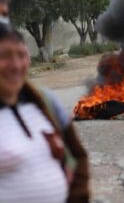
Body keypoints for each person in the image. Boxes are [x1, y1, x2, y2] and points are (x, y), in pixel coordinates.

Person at [0, 23, 90, 202]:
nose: (16, 65)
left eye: (21, 55)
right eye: (5, 56)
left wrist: (79, 195)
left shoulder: (45, 101)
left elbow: (78, 155)